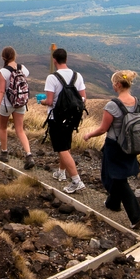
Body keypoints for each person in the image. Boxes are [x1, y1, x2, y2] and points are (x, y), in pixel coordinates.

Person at [83, 70, 140, 228]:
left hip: (115, 147)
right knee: (116, 176)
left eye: (113, 83)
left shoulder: (112, 105)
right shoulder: (139, 104)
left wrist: (89, 135)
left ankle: (137, 215)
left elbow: (103, 129)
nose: (113, 85)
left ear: (118, 84)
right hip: (132, 147)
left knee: (112, 178)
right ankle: (113, 203)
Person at [41, 48, 86, 193]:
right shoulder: (77, 76)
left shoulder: (52, 78)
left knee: (61, 149)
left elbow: (49, 101)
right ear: (66, 59)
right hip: (72, 118)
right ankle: (61, 172)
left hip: (57, 118)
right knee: (65, 146)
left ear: (54, 61)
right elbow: (83, 98)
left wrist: (42, 101)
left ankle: (76, 181)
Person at [0, 46, 35, 168]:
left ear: (3, 57)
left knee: (3, 128)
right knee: (20, 130)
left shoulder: (3, 72)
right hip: (21, 103)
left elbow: (1, 91)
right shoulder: (23, 68)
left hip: (6, 105)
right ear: (14, 56)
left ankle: (4, 153)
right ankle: (29, 155)